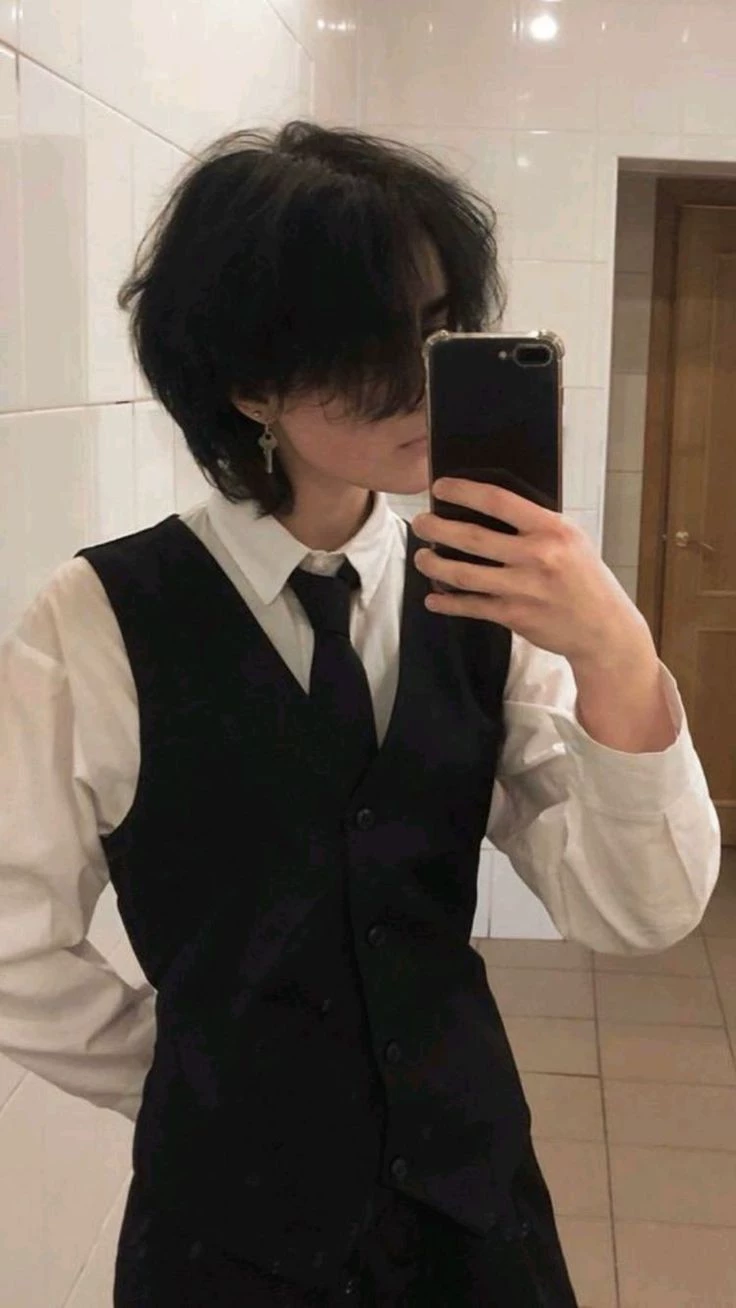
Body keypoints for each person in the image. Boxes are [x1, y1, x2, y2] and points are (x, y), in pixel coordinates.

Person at [0, 121, 720, 1307]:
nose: (419, 376)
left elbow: (634, 908)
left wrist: (614, 650)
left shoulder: (484, 594)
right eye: (366, 344)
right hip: (224, 1239)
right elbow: (15, 943)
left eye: (437, 327)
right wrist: (187, 1076)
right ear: (249, 383)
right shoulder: (93, 623)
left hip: (471, 1209)